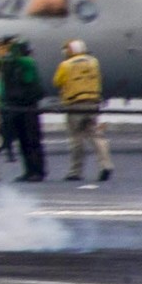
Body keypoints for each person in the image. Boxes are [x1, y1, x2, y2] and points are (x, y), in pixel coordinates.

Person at [0, 37, 46, 181]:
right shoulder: (9, 64)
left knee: (32, 141)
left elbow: (17, 60)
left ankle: (37, 171)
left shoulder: (27, 62)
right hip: (15, 106)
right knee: (23, 142)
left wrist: (9, 47)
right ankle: (29, 171)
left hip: (28, 107)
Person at [53, 39, 114, 182]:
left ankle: (76, 171)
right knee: (96, 135)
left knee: (76, 139)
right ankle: (106, 164)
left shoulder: (65, 65)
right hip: (93, 102)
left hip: (74, 104)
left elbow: (57, 82)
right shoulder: (94, 62)